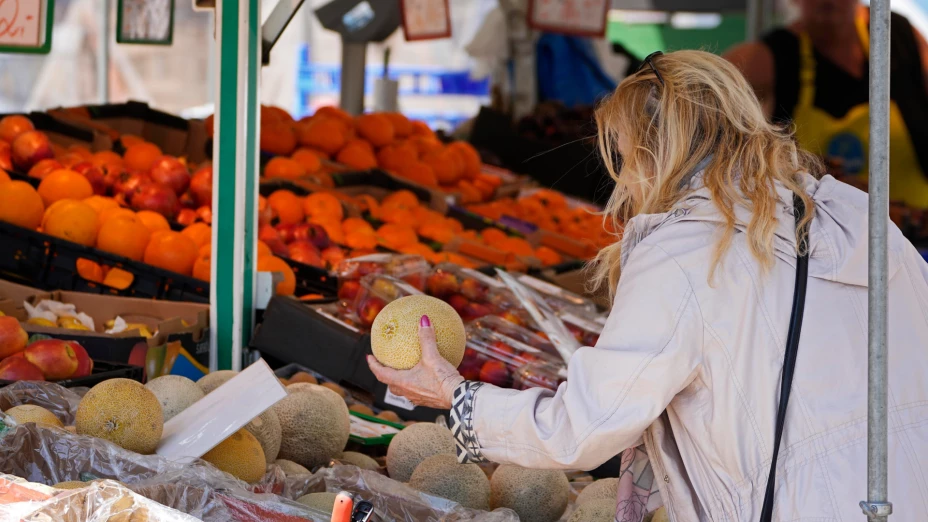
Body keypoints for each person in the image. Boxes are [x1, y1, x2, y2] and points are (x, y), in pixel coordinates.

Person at [367, 50, 928, 520]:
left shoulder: (684, 252)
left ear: (651, 154)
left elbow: (586, 426)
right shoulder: (861, 219)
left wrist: (455, 397)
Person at [725, 0, 928, 209]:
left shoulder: (898, 36)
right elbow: (706, 94)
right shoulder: (769, 56)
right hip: (815, 232)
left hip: (916, 227)